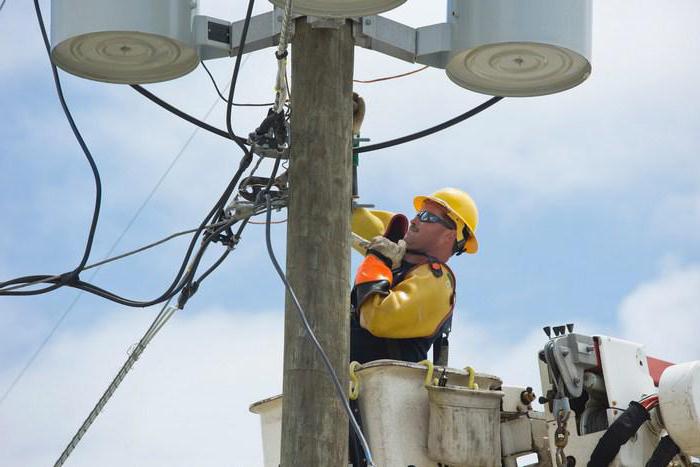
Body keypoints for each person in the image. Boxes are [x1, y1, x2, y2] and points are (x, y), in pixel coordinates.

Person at [349, 187, 479, 365]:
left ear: (449, 236)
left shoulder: (437, 281)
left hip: (382, 388)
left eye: (427, 217)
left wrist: (377, 261)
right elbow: (352, 218)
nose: (415, 221)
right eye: (419, 214)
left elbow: (378, 318)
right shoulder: (399, 258)